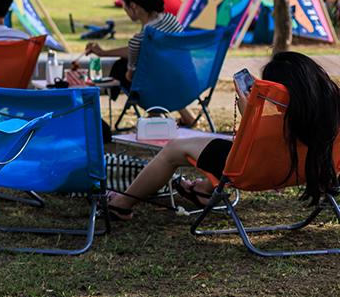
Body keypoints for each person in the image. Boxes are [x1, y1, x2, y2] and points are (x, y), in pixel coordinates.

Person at [105, 51, 340, 220]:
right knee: (221, 145)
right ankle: (202, 190)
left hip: (254, 171)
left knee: (174, 149)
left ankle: (121, 204)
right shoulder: (329, 112)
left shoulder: (269, 123)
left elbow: (251, 145)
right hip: (309, 170)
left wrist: (248, 112)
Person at [85, 0, 188, 121]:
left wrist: (122, 64)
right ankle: (186, 115)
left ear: (133, 6)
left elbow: (130, 74)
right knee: (160, 70)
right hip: (185, 82)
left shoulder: (140, 39)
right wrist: (103, 53)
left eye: (124, 5)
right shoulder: (171, 20)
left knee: (121, 68)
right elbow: (138, 48)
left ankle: (155, 115)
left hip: (162, 90)